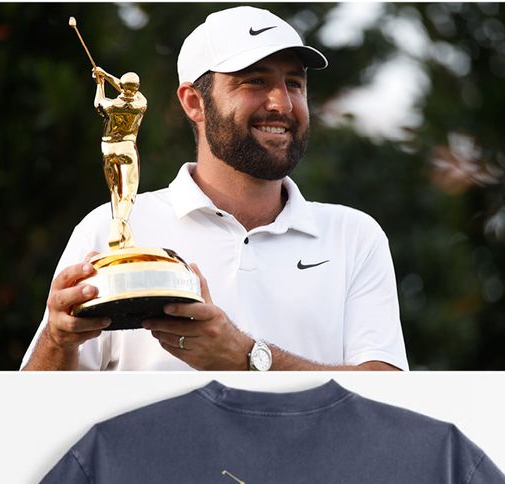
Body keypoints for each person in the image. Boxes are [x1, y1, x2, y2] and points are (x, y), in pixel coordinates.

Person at [22, 6, 409, 371]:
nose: (283, 103)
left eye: (294, 83)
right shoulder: (108, 227)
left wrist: (246, 357)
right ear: (194, 102)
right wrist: (59, 340)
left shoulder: (354, 236)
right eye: (255, 81)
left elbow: (384, 400)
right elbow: (32, 412)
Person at [94, 67, 147, 248]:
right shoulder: (140, 103)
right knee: (129, 194)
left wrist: (100, 82)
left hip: (108, 147)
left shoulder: (111, 105)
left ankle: (123, 234)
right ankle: (118, 225)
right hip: (127, 148)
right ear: (137, 88)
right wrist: (106, 75)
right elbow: (127, 90)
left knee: (115, 192)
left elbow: (98, 103)